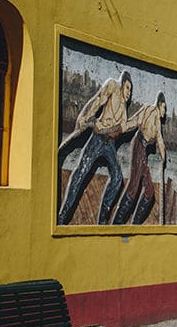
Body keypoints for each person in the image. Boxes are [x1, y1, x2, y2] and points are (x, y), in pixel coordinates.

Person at [58, 71, 135, 225]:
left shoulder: (124, 110)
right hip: (97, 140)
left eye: (131, 91)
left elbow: (122, 128)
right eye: (127, 88)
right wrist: (88, 117)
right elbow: (99, 99)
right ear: (122, 83)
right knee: (81, 172)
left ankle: (103, 218)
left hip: (109, 145)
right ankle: (63, 215)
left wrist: (117, 128)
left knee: (118, 178)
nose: (129, 93)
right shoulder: (113, 85)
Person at [113, 92, 167, 225]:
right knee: (133, 187)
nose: (165, 112)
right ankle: (117, 222)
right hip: (138, 145)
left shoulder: (158, 121)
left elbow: (159, 138)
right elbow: (136, 121)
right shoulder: (149, 109)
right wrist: (121, 128)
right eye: (164, 108)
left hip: (143, 152)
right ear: (159, 105)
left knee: (149, 192)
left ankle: (135, 224)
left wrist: (163, 155)